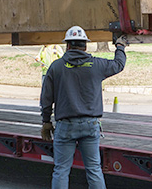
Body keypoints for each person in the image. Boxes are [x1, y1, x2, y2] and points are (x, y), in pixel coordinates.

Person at [40, 26, 127, 189]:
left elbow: (46, 98)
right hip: (90, 124)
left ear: (67, 45)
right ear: (85, 45)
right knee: (94, 170)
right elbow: (118, 64)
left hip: (65, 126)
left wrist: (46, 121)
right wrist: (120, 46)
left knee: (61, 170)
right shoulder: (97, 65)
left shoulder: (56, 67)